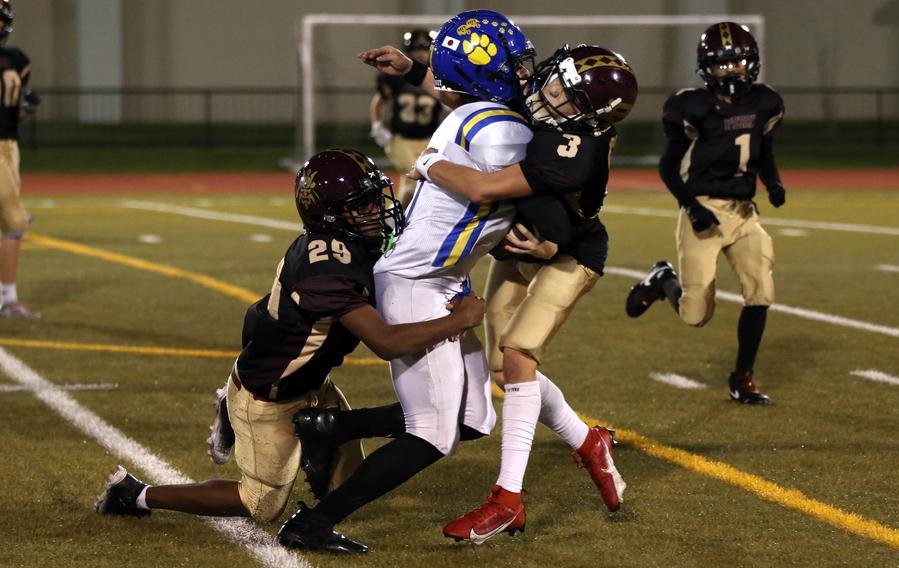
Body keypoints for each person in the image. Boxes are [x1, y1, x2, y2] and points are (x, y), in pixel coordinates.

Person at [94, 149, 486, 553]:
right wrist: (459, 320)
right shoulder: (328, 266)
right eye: (362, 205)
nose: (377, 210)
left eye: (375, 198)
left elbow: (257, 315)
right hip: (270, 396)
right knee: (261, 502)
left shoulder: (342, 244)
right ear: (331, 214)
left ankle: (285, 429)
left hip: (308, 379)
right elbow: (385, 342)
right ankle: (135, 494)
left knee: (345, 482)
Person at [275, 10, 536, 553]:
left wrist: (412, 72)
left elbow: (458, 105)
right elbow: (522, 181)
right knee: (431, 435)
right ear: (486, 71)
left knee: (472, 417)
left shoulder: (477, 112)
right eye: (514, 61)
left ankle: (331, 429)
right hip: (421, 280)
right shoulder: (501, 124)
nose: (524, 71)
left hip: (437, 278)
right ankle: (312, 523)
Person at [411, 44, 639, 542]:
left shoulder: (574, 148)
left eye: (566, 94)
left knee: (517, 355)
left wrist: (429, 165)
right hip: (527, 245)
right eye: (555, 79)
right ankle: (589, 441)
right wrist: (412, 68)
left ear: (589, 115)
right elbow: (476, 90)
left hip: (570, 251)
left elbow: (483, 189)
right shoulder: (544, 103)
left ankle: (507, 499)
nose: (549, 92)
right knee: (502, 367)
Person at [624, 22, 786, 405]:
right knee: (695, 314)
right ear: (705, 68)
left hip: (744, 212)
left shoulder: (765, 102)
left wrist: (773, 182)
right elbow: (667, 167)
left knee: (761, 292)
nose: (731, 71)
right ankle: (663, 278)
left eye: (737, 62)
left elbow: (764, 153)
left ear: (752, 63)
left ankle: (742, 376)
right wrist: (692, 207)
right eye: (722, 64)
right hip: (705, 209)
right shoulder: (691, 106)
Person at [370, 29, 445, 208]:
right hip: (401, 139)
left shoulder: (438, 75)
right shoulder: (397, 75)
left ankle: (396, 220)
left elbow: (447, 107)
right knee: (415, 180)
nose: (420, 53)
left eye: (424, 49)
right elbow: (379, 100)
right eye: (416, 49)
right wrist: (377, 126)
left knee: (418, 184)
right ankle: (395, 223)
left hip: (428, 140)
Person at [0, 0, 40, 319]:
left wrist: (27, 109)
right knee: (14, 219)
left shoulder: (18, 59)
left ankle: (7, 295)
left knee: (9, 224)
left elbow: (15, 113)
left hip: (10, 146)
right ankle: (10, 299)